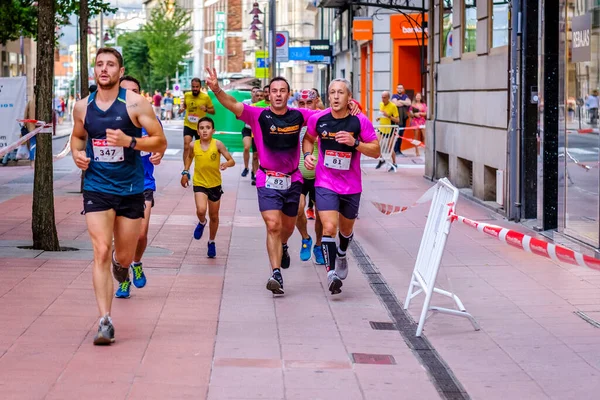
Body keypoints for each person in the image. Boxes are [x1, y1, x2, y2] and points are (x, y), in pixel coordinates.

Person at [70, 47, 167, 345]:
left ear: (120, 71)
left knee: (123, 256)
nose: (104, 69)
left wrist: (130, 141)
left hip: (130, 190)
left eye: (110, 64)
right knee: (99, 249)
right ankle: (105, 321)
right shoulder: (82, 107)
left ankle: (120, 262)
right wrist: (76, 154)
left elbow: (159, 140)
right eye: (99, 64)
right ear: (94, 71)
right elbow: (78, 136)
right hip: (97, 187)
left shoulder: (136, 104)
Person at [205, 69, 319, 295]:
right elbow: (231, 104)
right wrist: (217, 88)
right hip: (267, 178)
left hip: (292, 178)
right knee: (273, 225)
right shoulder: (258, 115)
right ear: (269, 94)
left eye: (282, 91)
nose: (278, 95)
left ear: (289, 94)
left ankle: (284, 246)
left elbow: (327, 114)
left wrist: (351, 105)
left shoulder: (299, 115)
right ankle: (275, 273)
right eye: (274, 91)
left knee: (286, 227)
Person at [304, 78, 380, 295]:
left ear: (349, 97)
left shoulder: (359, 121)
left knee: (346, 231)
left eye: (340, 93)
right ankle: (331, 274)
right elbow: (308, 138)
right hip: (325, 182)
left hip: (351, 185)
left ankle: (343, 253)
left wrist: (355, 143)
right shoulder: (319, 119)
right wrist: (308, 155)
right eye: (332, 92)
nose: (336, 97)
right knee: (329, 228)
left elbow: (376, 151)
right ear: (328, 96)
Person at [115, 75, 164, 299]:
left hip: (143, 183)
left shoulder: (148, 118)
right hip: (116, 185)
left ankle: (136, 263)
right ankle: (123, 281)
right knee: (122, 239)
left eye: (134, 90)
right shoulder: (110, 118)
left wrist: (158, 154)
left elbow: (159, 143)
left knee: (141, 234)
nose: (130, 95)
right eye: (126, 91)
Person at [181, 117, 235, 258]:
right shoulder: (194, 145)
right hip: (199, 183)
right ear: (198, 131)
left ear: (213, 130)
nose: (205, 130)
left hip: (215, 184)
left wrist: (226, 164)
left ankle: (211, 241)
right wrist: (185, 172)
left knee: (214, 216)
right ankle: (202, 221)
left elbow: (231, 160)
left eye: (208, 128)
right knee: (201, 210)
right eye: (202, 128)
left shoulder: (217, 144)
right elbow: (189, 157)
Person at [295, 89, 325, 265]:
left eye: (309, 103)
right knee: (298, 210)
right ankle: (306, 238)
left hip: (320, 176)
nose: (305, 107)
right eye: (301, 103)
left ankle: (319, 245)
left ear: (316, 102)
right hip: (298, 175)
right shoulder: (293, 120)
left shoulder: (324, 119)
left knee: (321, 215)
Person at [178, 78, 215, 163]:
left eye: (197, 87)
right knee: (186, 146)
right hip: (188, 124)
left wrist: (205, 109)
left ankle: (201, 167)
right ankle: (186, 170)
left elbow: (212, 111)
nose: (195, 89)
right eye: (193, 87)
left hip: (201, 127)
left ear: (200, 87)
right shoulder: (187, 95)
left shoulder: (205, 97)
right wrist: (181, 109)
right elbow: (184, 106)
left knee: (201, 148)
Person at [375, 91, 400, 172]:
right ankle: (382, 159)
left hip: (390, 129)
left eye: (384, 97)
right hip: (382, 128)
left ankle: (395, 163)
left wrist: (388, 116)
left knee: (390, 148)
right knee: (376, 144)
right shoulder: (381, 104)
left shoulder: (393, 106)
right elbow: (382, 115)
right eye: (382, 97)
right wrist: (379, 118)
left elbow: (397, 120)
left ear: (388, 98)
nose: (383, 99)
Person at [241, 87, 262, 180]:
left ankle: (254, 173)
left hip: (257, 131)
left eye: (260, 95)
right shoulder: (246, 102)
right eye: (254, 93)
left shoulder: (262, 105)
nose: (257, 96)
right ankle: (246, 168)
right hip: (248, 129)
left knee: (255, 155)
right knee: (246, 147)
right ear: (251, 94)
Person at [391, 84, 411, 156]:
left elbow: (409, 103)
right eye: (398, 88)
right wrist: (403, 102)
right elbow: (396, 104)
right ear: (396, 89)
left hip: (403, 118)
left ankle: (399, 150)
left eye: (401, 88)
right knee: (397, 134)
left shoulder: (405, 96)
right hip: (397, 119)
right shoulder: (394, 96)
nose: (400, 89)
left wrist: (400, 101)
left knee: (401, 134)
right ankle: (395, 150)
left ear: (403, 89)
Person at [410, 92, 427, 157]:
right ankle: (416, 151)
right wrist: (414, 114)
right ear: (415, 97)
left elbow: (426, 113)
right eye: (417, 96)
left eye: (419, 96)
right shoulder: (412, 105)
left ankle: (426, 149)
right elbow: (410, 114)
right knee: (416, 137)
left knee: (425, 136)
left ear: (421, 97)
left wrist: (419, 113)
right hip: (415, 121)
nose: (418, 97)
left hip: (422, 121)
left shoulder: (424, 104)